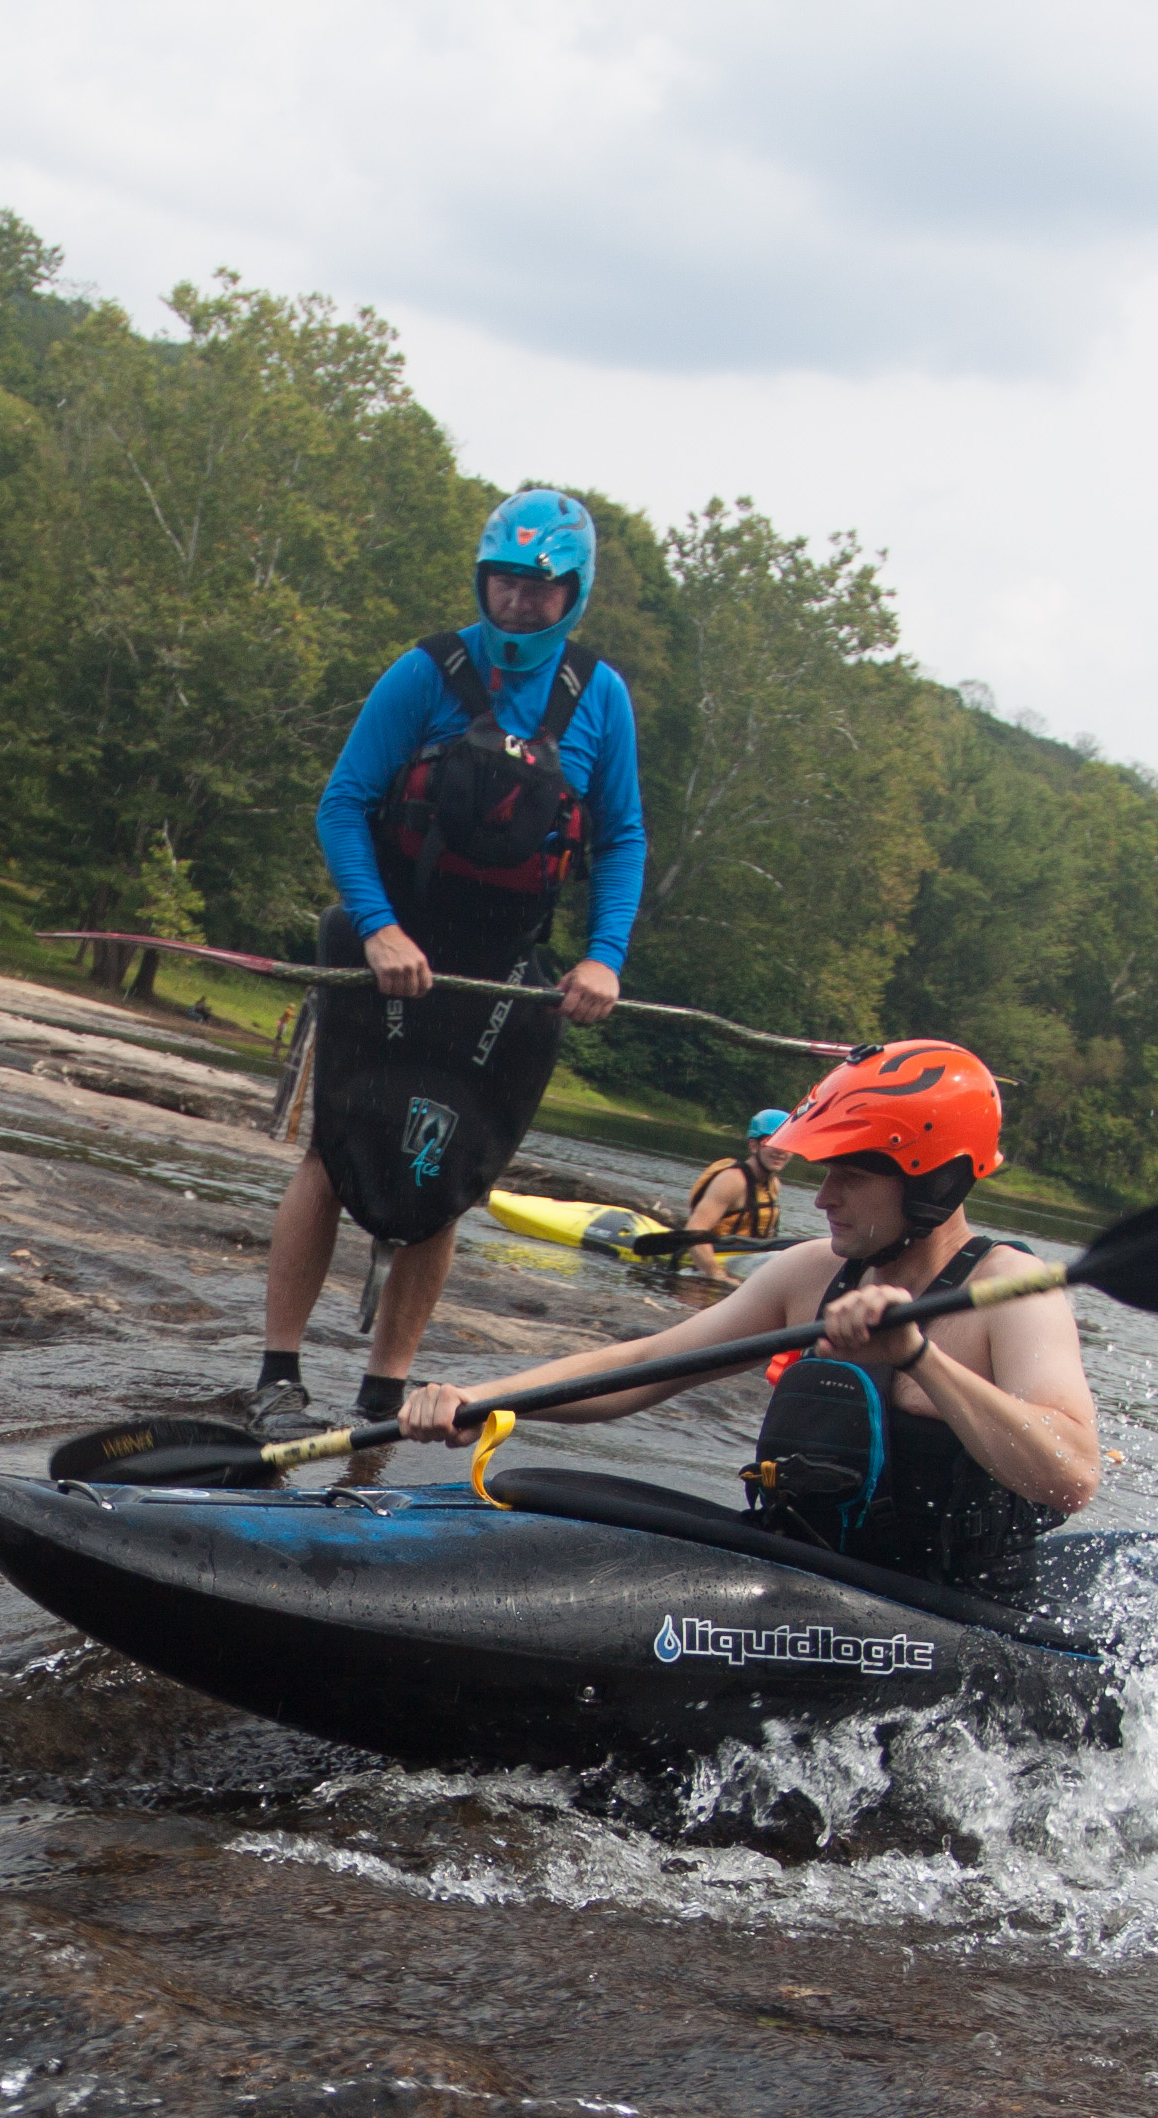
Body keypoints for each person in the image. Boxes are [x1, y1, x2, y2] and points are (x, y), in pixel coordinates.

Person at [394, 1040, 1099, 1600]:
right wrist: (482, 1400)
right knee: (549, 1489)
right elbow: (645, 1365)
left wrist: (919, 1358)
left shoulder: (1012, 1291)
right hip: (808, 1579)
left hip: (949, 1612)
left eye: (851, 1176)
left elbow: (1071, 1476)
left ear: (933, 1180)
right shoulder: (811, 1271)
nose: (822, 1198)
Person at [248, 485, 648, 1435]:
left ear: (573, 594)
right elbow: (344, 804)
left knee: (449, 1172)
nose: (518, 600)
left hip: (499, 964)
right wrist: (378, 927)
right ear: (482, 578)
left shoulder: (599, 697)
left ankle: (383, 1392)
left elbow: (622, 837)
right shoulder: (425, 673)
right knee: (333, 1152)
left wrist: (603, 957)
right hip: (388, 945)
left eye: (539, 588)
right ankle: (278, 1375)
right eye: (503, 581)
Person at [681, 1107, 794, 1268]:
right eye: (771, 1141)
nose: (781, 1151)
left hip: (748, 1259)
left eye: (787, 1143)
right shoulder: (732, 1180)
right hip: (712, 1258)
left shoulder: (774, 1185)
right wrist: (717, 1275)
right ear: (754, 1145)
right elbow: (694, 1231)